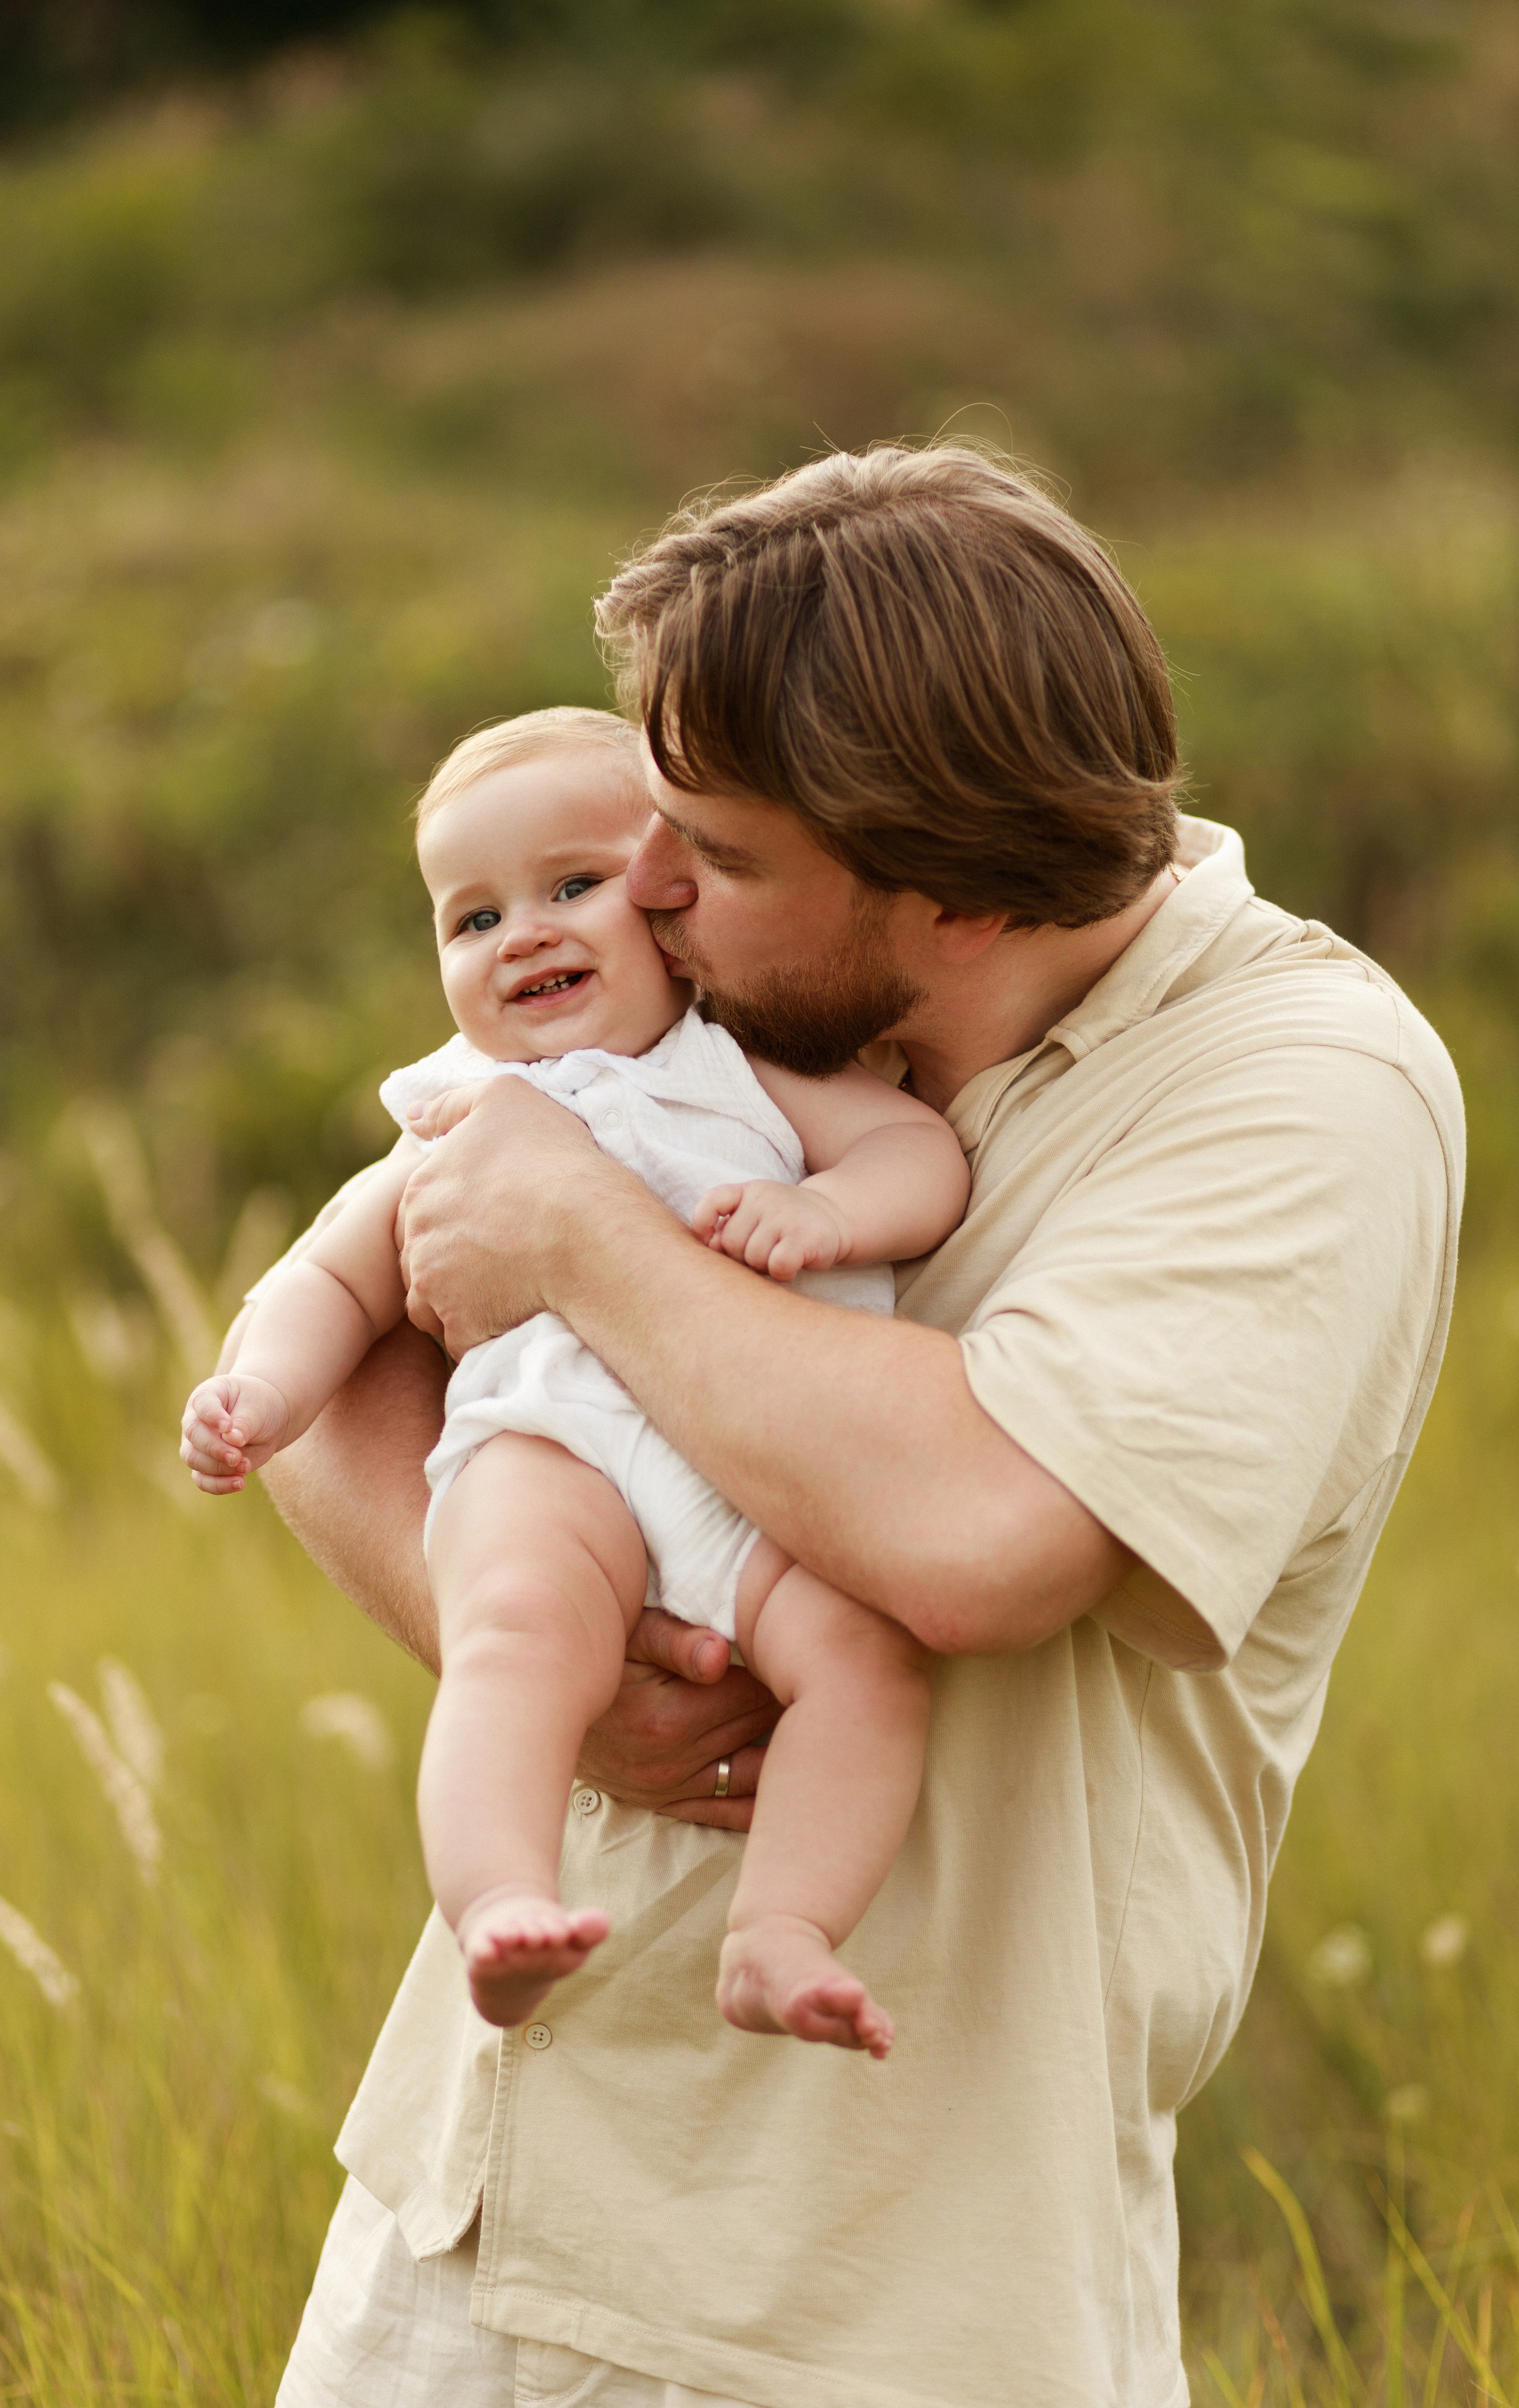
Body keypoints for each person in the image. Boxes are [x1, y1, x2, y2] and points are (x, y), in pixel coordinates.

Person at [253, 445, 1462, 2408]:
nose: (644, 894)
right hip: (480, 2201)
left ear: (958, 893)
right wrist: (542, 1654)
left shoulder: (1299, 1089)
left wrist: (577, 1229)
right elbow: (367, 1326)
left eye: (711, 857)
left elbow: (988, 1533)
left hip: (878, 2283)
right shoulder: (729, 1013)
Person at [182, 707, 963, 2052]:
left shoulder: (746, 1066)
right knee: (510, 1635)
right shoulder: (457, 1112)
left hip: (752, 1475)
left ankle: (779, 1932)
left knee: (863, 1663)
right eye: (470, 920)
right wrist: (261, 1394)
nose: (522, 935)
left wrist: (831, 1215)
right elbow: (329, 1278)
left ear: (672, 900)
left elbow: (916, 1156)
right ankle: (496, 1902)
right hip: (545, 1453)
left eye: (570, 886)